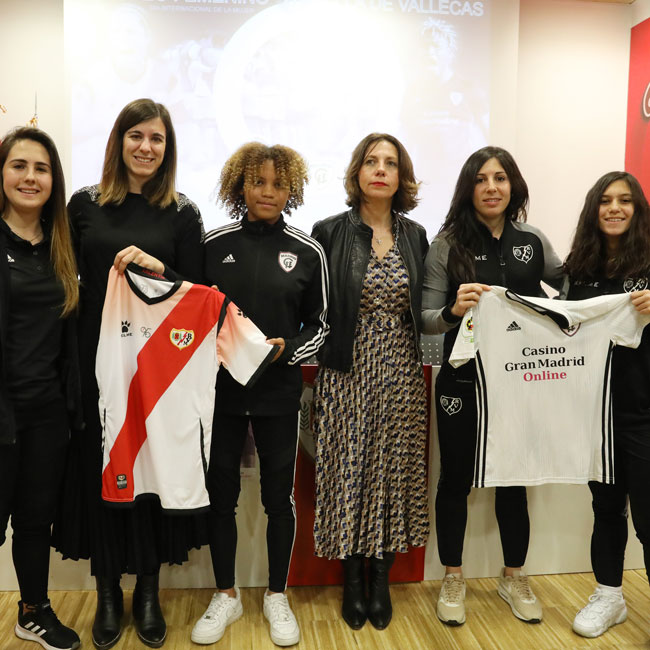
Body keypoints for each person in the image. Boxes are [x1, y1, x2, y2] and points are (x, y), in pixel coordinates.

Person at [52, 98, 205, 650]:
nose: (146, 146)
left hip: (157, 374)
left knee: (150, 480)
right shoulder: (83, 205)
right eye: (136, 135)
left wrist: (164, 270)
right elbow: (64, 283)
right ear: (119, 141)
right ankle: (107, 594)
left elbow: (199, 295)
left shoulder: (183, 213)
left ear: (168, 148)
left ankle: (147, 592)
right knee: (103, 476)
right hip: (96, 367)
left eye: (156, 138)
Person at [192, 142, 328, 647]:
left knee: (278, 499)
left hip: (278, 395)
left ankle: (276, 595)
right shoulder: (212, 245)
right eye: (257, 182)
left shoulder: (308, 251)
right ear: (240, 186)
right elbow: (191, 317)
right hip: (221, 396)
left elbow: (321, 326)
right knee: (220, 497)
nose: (267, 192)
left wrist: (287, 350)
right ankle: (225, 595)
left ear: (291, 189)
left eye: (278, 184)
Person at [422, 146, 564, 626]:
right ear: (468, 188)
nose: (491, 187)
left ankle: (513, 576)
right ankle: (453, 576)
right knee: (455, 479)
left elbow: (570, 289)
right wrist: (452, 310)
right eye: (481, 179)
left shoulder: (532, 240)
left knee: (513, 476)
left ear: (513, 186)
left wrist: (550, 317)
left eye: (500, 178)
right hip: (461, 381)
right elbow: (425, 319)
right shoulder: (446, 245)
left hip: (520, 383)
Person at [311, 133, 430, 631]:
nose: (381, 170)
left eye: (391, 163)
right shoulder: (328, 232)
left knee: (392, 473)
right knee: (348, 472)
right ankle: (351, 582)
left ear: (402, 177)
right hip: (346, 368)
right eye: (371, 161)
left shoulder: (416, 236)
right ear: (357, 172)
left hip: (401, 369)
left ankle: (380, 579)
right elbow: (314, 305)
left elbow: (425, 309)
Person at [0, 127, 81, 650]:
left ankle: (33, 612)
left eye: (42, 168)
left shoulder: (61, 247)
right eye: (19, 166)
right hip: (1, 411)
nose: (30, 177)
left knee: (34, 521)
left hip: (47, 413)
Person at [564, 171, 650, 639]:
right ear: (593, 209)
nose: (614, 208)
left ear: (638, 210)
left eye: (625, 201)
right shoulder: (578, 268)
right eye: (606, 201)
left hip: (644, 412)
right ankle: (609, 596)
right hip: (596, 414)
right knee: (606, 507)